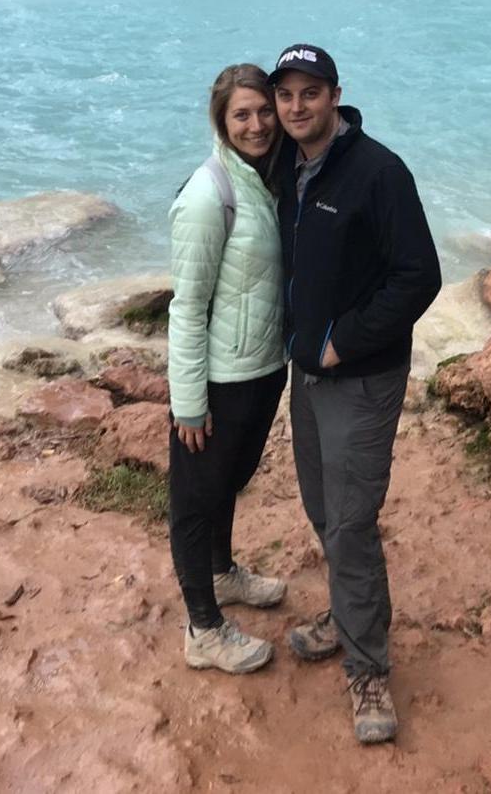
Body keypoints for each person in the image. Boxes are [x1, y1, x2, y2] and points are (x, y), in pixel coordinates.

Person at [269, 43, 442, 744]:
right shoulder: (289, 167)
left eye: (311, 93)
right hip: (305, 374)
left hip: (362, 378)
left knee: (350, 520)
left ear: (336, 96)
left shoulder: (379, 172)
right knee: (320, 504)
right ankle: (346, 616)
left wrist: (346, 340)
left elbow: (419, 276)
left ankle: (368, 667)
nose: (297, 107)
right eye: (287, 95)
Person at [167, 63, 290, 674]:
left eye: (264, 110)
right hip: (217, 378)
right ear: (221, 120)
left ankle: (222, 573)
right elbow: (186, 307)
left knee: (228, 482)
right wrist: (189, 401)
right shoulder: (208, 195)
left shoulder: (266, 180)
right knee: (195, 499)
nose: (258, 123)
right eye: (242, 114)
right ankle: (203, 629)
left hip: (262, 368)